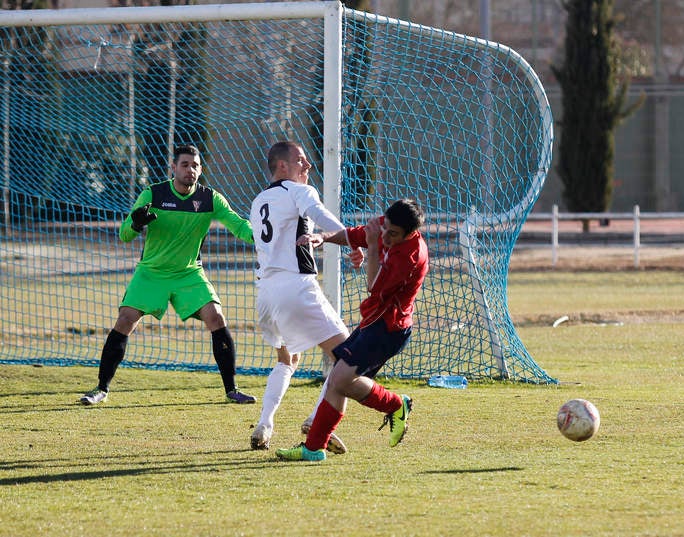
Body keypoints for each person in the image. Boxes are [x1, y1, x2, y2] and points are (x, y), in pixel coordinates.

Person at [79, 144, 257, 405]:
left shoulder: (210, 199)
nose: (190, 170)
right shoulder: (153, 194)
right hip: (151, 272)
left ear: (200, 169)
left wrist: (261, 236)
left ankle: (232, 390)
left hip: (188, 273)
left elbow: (238, 225)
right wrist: (137, 223)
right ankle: (101, 389)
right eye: (184, 165)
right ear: (173, 168)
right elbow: (124, 234)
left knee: (216, 317)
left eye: (195, 165)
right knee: (126, 319)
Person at [276, 198, 429, 462]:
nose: (386, 237)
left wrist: (371, 247)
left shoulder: (411, 256)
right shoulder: (388, 225)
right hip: (374, 323)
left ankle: (395, 404)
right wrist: (322, 237)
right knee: (339, 380)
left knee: (340, 380)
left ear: (410, 234)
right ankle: (313, 450)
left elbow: (374, 285)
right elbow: (355, 234)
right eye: (385, 229)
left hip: (389, 330)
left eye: (393, 235)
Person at [248, 141, 358, 454]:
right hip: (295, 287)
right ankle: (315, 421)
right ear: (282, 166)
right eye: (301, 160)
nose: (307, 165)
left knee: (287, 360)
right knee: (349, 357)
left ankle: (265, 424)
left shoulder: (259, 202)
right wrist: (353, 241)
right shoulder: (298, 191)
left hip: (266, 293)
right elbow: (319, 214)